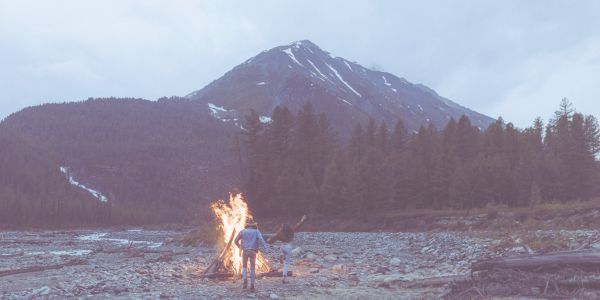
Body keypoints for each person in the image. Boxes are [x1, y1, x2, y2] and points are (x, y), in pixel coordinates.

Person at [267, 215, 307, 283]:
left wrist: (268, 240)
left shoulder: (279, 233)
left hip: (282, 247)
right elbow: (298, 225)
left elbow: (271, 241)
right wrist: (302, 220)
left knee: (284, 254)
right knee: (286, 263)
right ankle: (284, 279)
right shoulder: (292, 230)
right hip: (288, 247)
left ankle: (282, 256)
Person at [234, 219, 267, 292]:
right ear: (254, 225)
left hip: (245, 251)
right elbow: (261, 240)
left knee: (244, 267)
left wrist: (240, 247)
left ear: (247, 225)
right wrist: (265, 248)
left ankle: (245, 281)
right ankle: (252, 284)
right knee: (252, 268)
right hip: (253, 251)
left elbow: (235, 241)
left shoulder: (242, 231)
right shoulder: (256, 231)